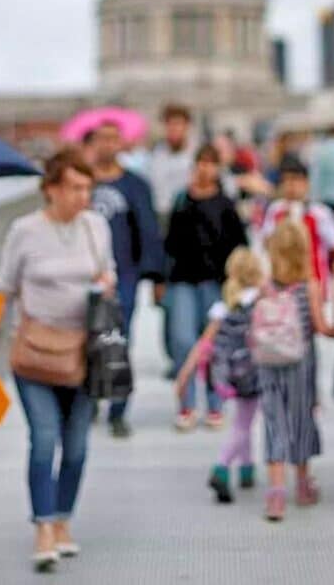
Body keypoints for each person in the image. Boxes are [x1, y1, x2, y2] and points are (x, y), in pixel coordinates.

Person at [0, 149, 115, 572]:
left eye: (88, 188)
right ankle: (43, 526)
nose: (83, 196)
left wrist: (106, 283)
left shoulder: (96, 227)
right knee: (45, 439)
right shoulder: (24, 230)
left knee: (77, 446)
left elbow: (108, 273)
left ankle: (63, 520)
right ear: (51, 189)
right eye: (75, 188)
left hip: (84, 353)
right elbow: (2, 287)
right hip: (35, 354)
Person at [83, 122, 163, 438]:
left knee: (119, 342)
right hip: (83, 275)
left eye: (114, 139)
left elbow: (149, 230)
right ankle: (88, 403)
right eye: (102, 138)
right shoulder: (80, 181)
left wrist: (156, 276)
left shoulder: (135, 185)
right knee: (85, 342)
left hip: (124, 277)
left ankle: (118, 409)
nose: (108, 144)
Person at [165, 145, 249, 431]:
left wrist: (238, 284)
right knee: (182, 339)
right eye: (200, 162)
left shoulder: (225, 204)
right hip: (182, 279)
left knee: (214, 345)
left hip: (217, 282)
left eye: (210, 163)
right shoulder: (181, 200)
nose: (204, 169)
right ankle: (186, 403)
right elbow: (170, 243)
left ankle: (215, 403)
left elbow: (239, 246)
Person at [256, 220, 334, 521]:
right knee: (301, 420)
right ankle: (302, 485)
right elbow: (321, 326)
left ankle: (275, 495)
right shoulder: (309, 286)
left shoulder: (265, 286)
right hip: (300, 364)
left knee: (274, 423)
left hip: (268, 363)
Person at [173, 247, 265, 504]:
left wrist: (184, 375)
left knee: (243, 418)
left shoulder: (223, 307)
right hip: (255, 372)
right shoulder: (260, 302)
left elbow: (204, 344)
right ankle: (222, 467)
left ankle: (247, 469)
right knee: (244, 423)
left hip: (230, 374)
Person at [256, 154, 334, 295]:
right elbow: (266, 244)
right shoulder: (275, 210)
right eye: (286, 180)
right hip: (282, 289)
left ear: (306, 183)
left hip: (315, 287)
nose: (291, 185)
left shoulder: (319, 213)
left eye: (295, 180)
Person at [146, 104, 196, 231]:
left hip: (189, 217)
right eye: (169, 124)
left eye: (178, 124)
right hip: (161, 217)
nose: (173, 129)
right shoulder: (156, 154)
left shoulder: (196, 154)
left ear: (187, 126)